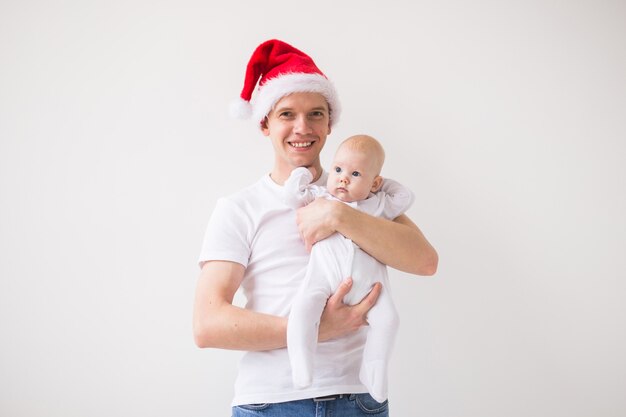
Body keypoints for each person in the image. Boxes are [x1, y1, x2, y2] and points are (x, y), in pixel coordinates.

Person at [193, 39, 438, 417]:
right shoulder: (239, 208)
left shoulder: (357, 194)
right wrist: (313, 329)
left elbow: (425, 261)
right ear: (265, 124)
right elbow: (208, 325)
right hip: (271, 402)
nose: (302, 128)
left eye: (316, 114)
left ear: (330, 123)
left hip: (359, 400)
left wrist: (338, 215)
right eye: (287, 114)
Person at [285, 134, 414, 403]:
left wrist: (374, 183)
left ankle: (374, 370)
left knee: (389, 320)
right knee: (303, 309)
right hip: (323, 278)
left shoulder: (378, 204)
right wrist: (303, 174)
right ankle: (301, 364)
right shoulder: (321, 197)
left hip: (368, 288)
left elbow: (405, 196)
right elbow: (292, 195)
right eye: (339, 169)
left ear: (375, 182)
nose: (343, 178)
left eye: (355, 173)